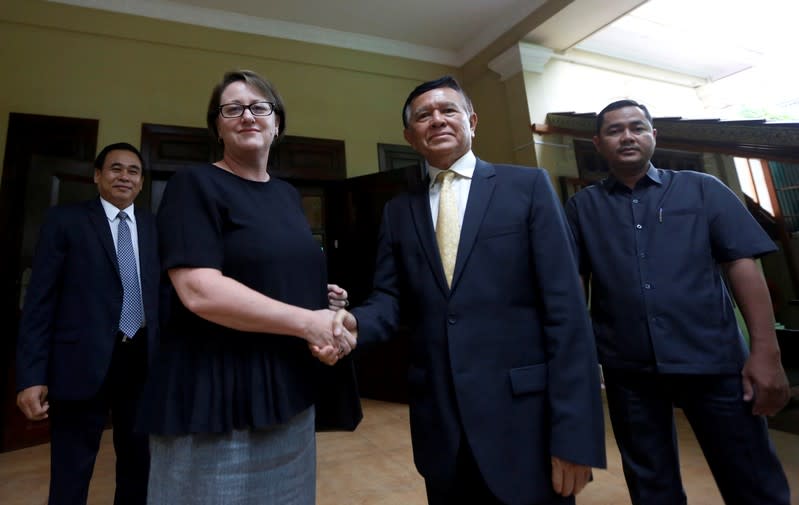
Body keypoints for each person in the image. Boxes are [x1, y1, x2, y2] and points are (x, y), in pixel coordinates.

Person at [327, 76, 606, 505]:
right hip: (442, 429)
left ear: (471, 121)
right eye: (423, 115)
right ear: (410, 136)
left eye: (448, 110)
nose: (436, 119)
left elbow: (567, 314)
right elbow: (390, 299)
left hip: (525, 425)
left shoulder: (527, 188)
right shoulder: (399, 211)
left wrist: (576, 438)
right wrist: (354, 322)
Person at [137, 69, 358, 505]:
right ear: (217, 127)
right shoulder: (193, 185)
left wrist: (324, 301)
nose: (247, 116)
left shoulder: (288, 196)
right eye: (232, 108)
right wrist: (308, 322)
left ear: (277, 123)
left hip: (288, 389)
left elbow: (271, 270)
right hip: (217, 394)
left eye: (260, 107)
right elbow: (199, 290)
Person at [564, 99, 791, 505]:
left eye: (637, 126)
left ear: (654, 135)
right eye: (615, 130)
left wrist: (765, 353)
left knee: (752, 478)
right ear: (598, 143)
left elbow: (742, 264)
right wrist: (580, 360)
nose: (627, 136)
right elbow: (573, 285)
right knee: (651, 486)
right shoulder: (582, 207)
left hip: (714, 362)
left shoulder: (702, 189)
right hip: (628, 369)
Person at [16, 142, 158, 505]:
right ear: (97, 176)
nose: (124, 176)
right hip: (80, 363)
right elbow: (39, 303)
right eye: (115, 168)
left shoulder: (155, 228)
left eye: (133, 171)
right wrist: (31, 376)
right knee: (71, 469)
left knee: (138, 465)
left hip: (141, 362)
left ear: (141, 182)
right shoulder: (66, 221)